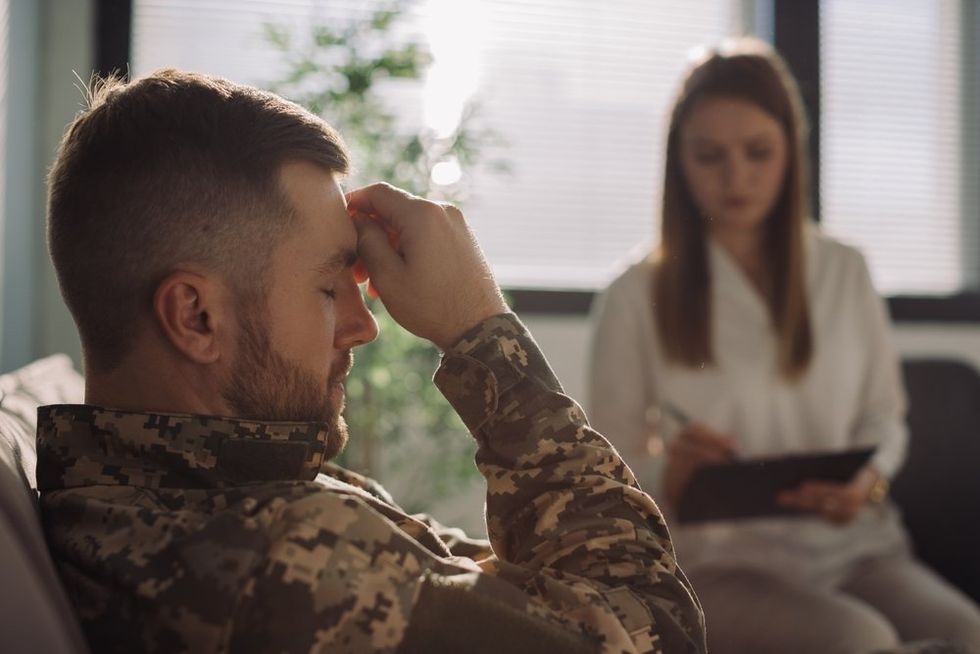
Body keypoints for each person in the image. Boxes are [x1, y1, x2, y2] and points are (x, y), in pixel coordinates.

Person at [36, 69, 705, 653]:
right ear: (196, 316)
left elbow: (528, 597)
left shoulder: (206, 495)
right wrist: (478, 330)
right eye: (329, 289)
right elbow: (659, 629)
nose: (364, 327)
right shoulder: (286, 562)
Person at [588, 38, 980, 654]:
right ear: (679, 161)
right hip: (718, 565)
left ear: (792, 152)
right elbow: (609, 470)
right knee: (861, 640)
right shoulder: (635, 293)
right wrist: (671, 472)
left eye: (758, 153)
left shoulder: (844, 270)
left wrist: (867, 483)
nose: (736, 178)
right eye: (710, 156)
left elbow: (885, 416)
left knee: (964, 631)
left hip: (853, 549)